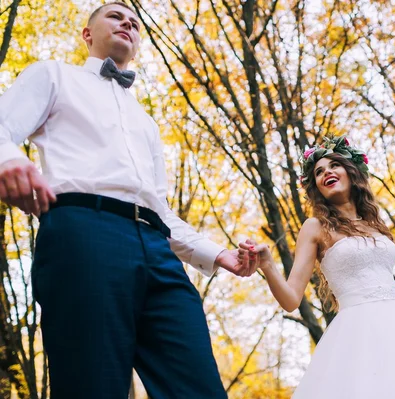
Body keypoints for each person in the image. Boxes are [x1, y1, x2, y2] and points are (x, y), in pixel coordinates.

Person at [0, 2, 253, 398]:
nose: (127, 23)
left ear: (136, 45)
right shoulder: (53, 75)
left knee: (199, 386)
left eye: (134, 22)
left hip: (158, 250)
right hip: (83, 230)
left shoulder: (145, 122)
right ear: (87, 34)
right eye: (115, 17)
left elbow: (162, 209)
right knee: (92, 383)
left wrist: (216, 254)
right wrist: (10, 160)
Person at [239, 135, 395, 398]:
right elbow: (291, 300)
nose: (326, 173)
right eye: (319, 172)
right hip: (355, 338)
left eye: (333, 165)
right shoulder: (315, 227)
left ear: (351, 172)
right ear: (317, 188)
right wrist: (267, 265)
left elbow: (385, 299)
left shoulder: (376, 227)